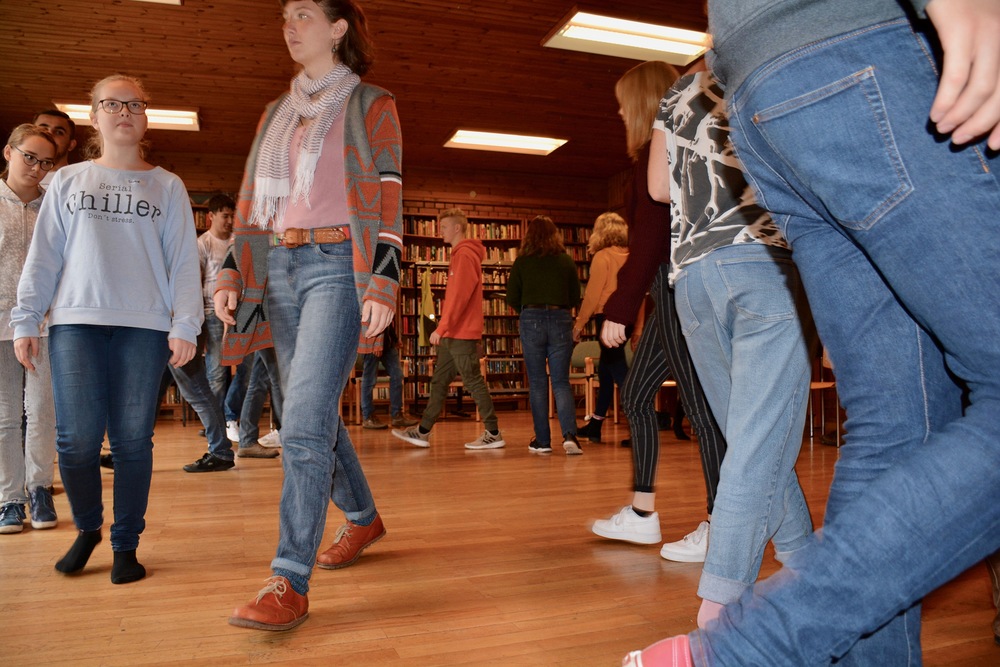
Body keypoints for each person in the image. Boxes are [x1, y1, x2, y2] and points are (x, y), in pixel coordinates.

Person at [622, 0, 1000, 663]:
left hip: (758, 101)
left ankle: (782, 594)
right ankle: (736, 642)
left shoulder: (679, 92)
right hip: (854, 50)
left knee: (891, 425)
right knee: (772, 437)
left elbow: (657, 186)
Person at [217, 0, 402, 631]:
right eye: (285, 17)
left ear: (338, 27)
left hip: (337, 267)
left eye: (303, 14)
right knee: (310, 411)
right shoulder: (277, 112)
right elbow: (251, 200)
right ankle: (363, 518)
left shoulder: (371, 103)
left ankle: (288, 580)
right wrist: (234, 271)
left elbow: (388, 195)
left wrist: (383, 279)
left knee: (300, 421)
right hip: (279, 267)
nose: (290, 27)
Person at [12, 74, 202, 584]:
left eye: (134, 104)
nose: (124, 112)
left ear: (145, 117)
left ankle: (125, 543)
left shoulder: (167, 185)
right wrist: (26, 317)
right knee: (75, 442)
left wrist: (186, 323)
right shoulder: (67, 181)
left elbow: (183, 262)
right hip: (76, 322)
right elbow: (44, 255)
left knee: (132, 441)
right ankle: (88, 528)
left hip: (145, 327)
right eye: (111, 104)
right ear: (94, 116)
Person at [648, 61, 815, 629]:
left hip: (694, 279)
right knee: (759, 440)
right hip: (764, 264)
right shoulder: (769, 65)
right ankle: (719, 605)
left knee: (751, 440)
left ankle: (805, 568)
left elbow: (657, 187)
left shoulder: (678, 89)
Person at [591, 61, 727, 564]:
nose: (619, 112)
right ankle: (643, 513)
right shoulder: (674, 151)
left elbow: (648, 244)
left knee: (702, 409)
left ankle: (723, 527)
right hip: (673, 287)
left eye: (623, 103)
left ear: (643, 102)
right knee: (637, 393)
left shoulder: (657, 152)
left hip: (674, 288)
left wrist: (620, 307)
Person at [391, 208, 505, 451]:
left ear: (457, 228)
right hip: (453, 334)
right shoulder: (459, 255)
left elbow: (459, 297)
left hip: (461, 333)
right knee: (439, 382)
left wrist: (442, 327)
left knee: (473, 381)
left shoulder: (464, 255)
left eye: (443, 227)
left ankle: (493, 433)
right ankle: (423, 431)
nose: (439, 231)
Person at [0, 125, 59, 534]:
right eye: (30, 157)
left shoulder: (53, 206)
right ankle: (10, 498)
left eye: (46, 162)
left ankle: (39, 488)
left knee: (41, 411)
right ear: (9, 152)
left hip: (45, 323)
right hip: (0, 323)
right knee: (4, 415)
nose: (37, 168)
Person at [506, 215, 583, 454]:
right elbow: (575, 295)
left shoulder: (522, 261)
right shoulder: (565, 261)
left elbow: (512, 296)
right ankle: (570, 436)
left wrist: (527, 312)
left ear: (529, 236)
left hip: (531, 318)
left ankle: (542, 441)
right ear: (554, 235)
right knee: (561, 381)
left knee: (538, 382)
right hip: (561, 318)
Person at [573, 211, 629, 444]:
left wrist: (579, 324)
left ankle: (640, 426)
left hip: (606, 318)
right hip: (627, 318)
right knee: (606, 372)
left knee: (620, 373)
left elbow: (592, 295)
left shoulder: (602, 256)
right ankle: (595, 426)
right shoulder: (631, 256)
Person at [197, 193, 237, 409]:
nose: (230, 221)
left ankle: (230, 417)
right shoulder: (203, 243)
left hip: (238, 312)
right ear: (211, 216)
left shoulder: (236, 241)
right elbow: (197, 279)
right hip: (213, 313)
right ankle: (215, 421)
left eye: (232, 216)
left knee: (241, 369)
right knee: (217, 371)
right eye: (225, 216)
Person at [360, 322, 417, 429]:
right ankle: (368, 417)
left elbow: (387, 322)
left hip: (387, 345)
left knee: (397, 376)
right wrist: (377, 344)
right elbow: (368, 322)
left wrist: (394, 338)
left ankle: (397, 415)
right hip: (371, 344)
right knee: (369, 380)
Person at [236, 348, 283, 455]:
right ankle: (292, 438)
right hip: (272, 336)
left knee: (259, 380)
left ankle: (247, 439)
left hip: (264, 337)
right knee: (279, 377)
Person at [32, 109, 76, 184]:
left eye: (59, 132)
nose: (49, 134)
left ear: (71, 145)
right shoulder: (16, 176)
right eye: (42, 130)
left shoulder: (76, 180)